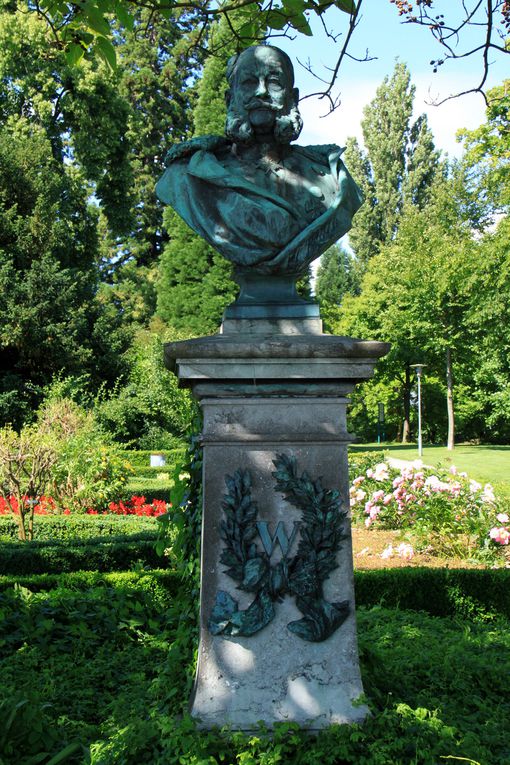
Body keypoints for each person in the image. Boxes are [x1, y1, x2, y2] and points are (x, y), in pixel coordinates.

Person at [156, 45, 362, 276]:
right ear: (229, 98)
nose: (262, 92)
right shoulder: (190, 175)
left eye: (274, 82)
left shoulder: (332, 175)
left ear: (292, 98)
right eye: (249, 83)